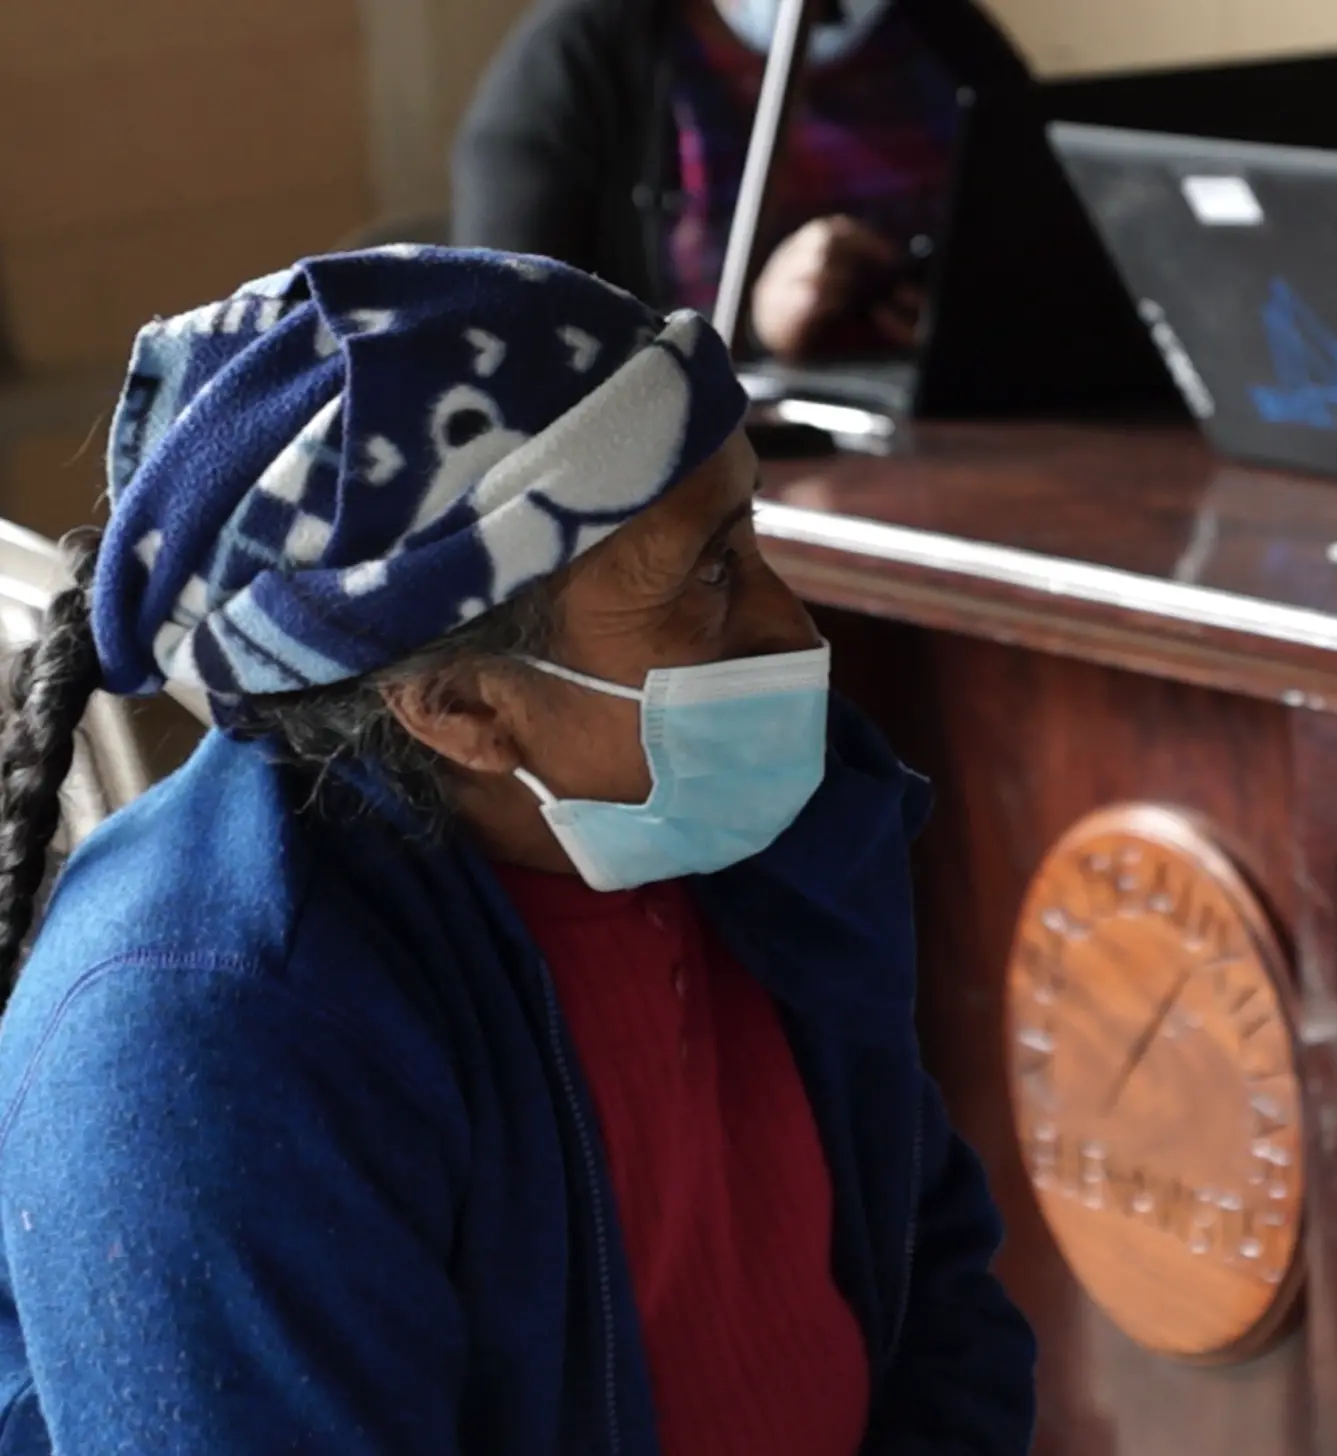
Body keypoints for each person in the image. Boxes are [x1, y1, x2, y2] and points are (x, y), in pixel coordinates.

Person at [0, 247, 1035, 1452]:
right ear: (460, 708)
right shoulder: (204, 1035)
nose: (791, 628)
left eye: (745, 536)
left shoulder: (744, 823)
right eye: (703, 581)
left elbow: (932, 1269)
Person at [453, 0, 1017, 361]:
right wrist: (756, 328)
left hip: (947, 455)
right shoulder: (579, 57)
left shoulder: (946, 39)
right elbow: (508, 341)